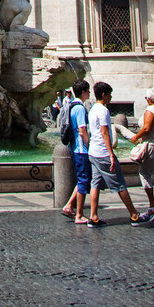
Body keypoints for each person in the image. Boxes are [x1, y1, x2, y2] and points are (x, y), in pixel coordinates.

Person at [87, 81, 154, 228]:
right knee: (120, 184)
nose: (111, 97)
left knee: (95, 183)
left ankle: (93, 217)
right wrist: (111, 154)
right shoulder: (103, 111)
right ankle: (134, 216)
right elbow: (105, 132)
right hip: (103, 153)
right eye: (110, 94)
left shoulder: (92, 109)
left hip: (93, 152)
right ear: (103, 94)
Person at [127, 88, 154, 219]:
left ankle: (152, 205)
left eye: (146, 98)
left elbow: (146, 128)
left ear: (150, 99)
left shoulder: (150, 110)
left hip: (153, 145)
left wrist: (136, 137)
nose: (146, 100)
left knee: (144, 172)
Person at [61, 79, 91, 224]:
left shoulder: (72, 105)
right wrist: (89, 145)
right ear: (83, 92)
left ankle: (68, 206)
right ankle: (79, 215)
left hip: (74, 148)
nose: (90, 93)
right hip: (81, 149)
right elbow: (82, 130)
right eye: (88, 91)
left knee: (81, 180)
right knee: (84, 180)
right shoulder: (79, 108)